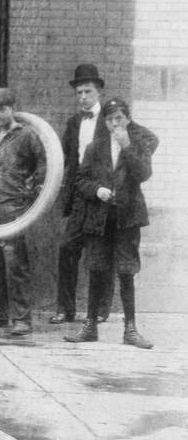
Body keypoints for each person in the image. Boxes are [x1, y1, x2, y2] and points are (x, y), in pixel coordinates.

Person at [65, 97, 158, 348]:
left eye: (119, 118)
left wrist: (127, 146)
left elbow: (143, 174)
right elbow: (79, 181)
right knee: (96, 270)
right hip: (99, 219)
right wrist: (97, 190)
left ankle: (130, 330)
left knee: (127, 272)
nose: (115, 123)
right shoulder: (95, 148)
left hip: (128, 219)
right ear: (104, 122)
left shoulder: (137, 144)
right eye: (110, 119)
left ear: (128, 119)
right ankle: (90, 326)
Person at [0, 88, 46, 337]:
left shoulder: (26, 135)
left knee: (15, 264)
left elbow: (43, 164)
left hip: (13, 206)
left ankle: (22, 319)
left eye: (1, 109)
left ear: (12, 108)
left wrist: (32, 187)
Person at [51, 63, 113, 325]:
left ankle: (100, 310)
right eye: (79, 93)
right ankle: (66, 309)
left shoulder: (110, 119)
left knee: (100, 254)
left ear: (98, 91)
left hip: (103, 198)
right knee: (67, 249)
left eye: (88, 91)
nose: (83, 97)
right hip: (79, 197)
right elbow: (66, 159)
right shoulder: (74, 122)